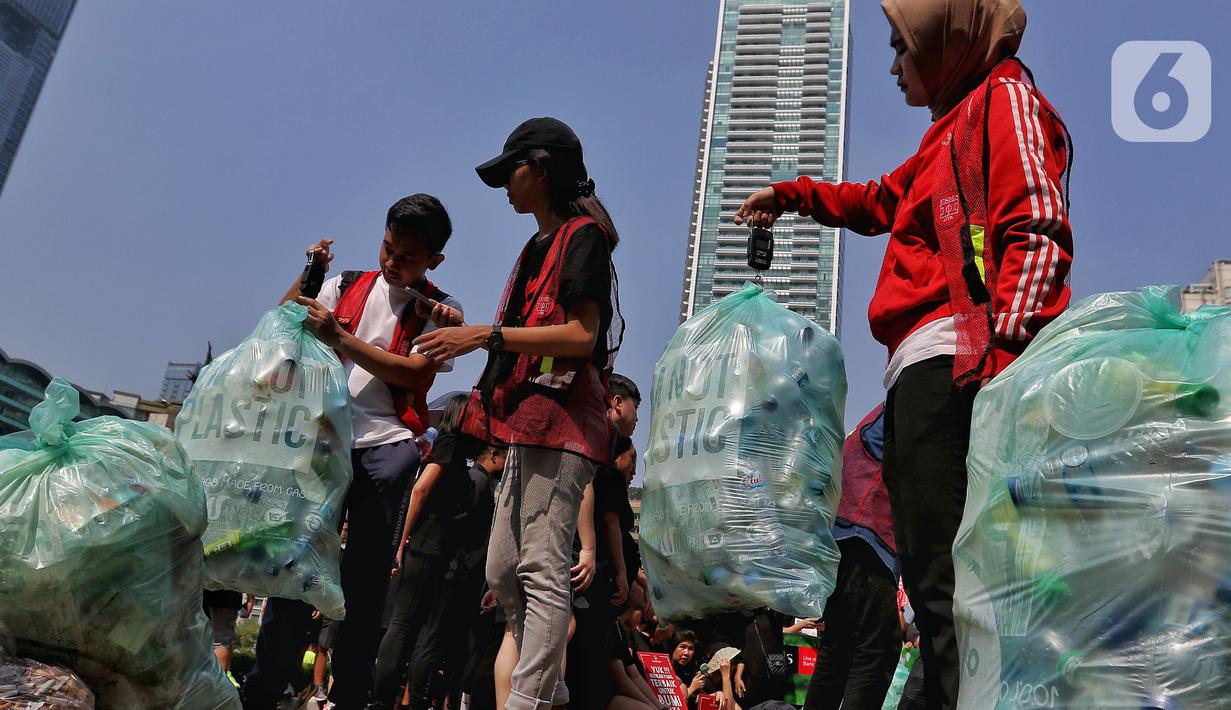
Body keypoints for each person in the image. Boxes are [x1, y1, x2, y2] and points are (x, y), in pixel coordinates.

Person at [734, 1, 1073, 706]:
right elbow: (879, 199)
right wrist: (793, 197)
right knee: (933, 576)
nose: (892, 66)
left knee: (945, 582)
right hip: (926, 366)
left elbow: (1037, 228)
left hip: (956, 361)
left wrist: (1000, 366)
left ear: (945, 43)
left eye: (901, 47)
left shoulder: (1003, 100)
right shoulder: (947, 130)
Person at [414, 116, 623, 710]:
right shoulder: (538, 244)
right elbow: (529, 332)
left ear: (542, 169)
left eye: (512, 170)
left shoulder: (582, 236)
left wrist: (486, 337)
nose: (505, 183)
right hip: (527, 423)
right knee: (503, 573)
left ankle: (530, 700)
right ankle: (550, 692)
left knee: (538, 567)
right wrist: (474, 335)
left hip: (562, 426)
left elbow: (582, 336)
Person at [243, 194, 463, 710]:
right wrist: (314, 271)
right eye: (388, 247)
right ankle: (261, 693)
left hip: (385, 447)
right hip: (322, 443)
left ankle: (350, 697)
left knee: (364, 587)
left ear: (434, 259)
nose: (392, 261)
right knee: (295, 573)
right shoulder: (346, 285)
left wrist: (339, 335)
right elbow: (283, 319)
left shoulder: (441, 310)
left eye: (407, 256)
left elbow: (413, 373)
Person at [371, 395, 507, 710]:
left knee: (415, 630)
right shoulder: (448, 445)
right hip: (425, 546)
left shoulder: (455, 453)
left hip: (434, 549)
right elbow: (421, 489)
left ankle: (394, 700)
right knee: (407, 627)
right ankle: (384, 701)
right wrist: (401, 543)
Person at [804, 404, 902, 710]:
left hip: (847, 539)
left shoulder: (879, 415)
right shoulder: (907, 407)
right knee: (877, 649)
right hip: (866, 537)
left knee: (839, 647)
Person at [203, 589, 253, 685]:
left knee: (200, 636)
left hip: (197, 590)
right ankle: (217, 686)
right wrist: (250, 598)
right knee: (222, 641)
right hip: (224, 594)